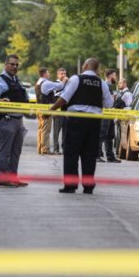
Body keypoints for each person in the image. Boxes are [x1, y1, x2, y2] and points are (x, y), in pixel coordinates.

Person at [50, 58, 114, 194]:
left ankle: (71, 185)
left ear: (85, 66)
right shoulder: (101, 83)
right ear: (97, 69)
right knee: (90, 154)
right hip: (94, 122)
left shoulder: (76, 79)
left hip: (76, 120)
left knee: (71, 152)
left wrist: (51, 110)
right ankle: (88, 186)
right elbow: (109, 103)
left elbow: (64, 98)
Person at [0, 55, 30, 187]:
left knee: (16, 151)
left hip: (18, 119)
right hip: (6, 119)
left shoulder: (16, 80)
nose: (15, 67)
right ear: (6, 64)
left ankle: (13, 177)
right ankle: (3, 178)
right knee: (5, 151)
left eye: (17, 65)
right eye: (12, 64)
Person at [41, 67, 68, 154]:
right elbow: (57, 95)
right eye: (61, 74)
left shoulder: (67, 84)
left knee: (65, 131)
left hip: (66, 111)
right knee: (56, 131)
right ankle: (56, 149)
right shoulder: (55, 84)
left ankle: (64, 148)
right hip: (57, 111)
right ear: (57, 75)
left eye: (64, 74)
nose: (63, 75)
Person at [98, 69, 120, 163]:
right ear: (110, 76)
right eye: (115, 75)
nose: (116, 77)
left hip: (110, 113)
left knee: (110, 135)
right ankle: (96, 155)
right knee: (102, 134)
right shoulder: (104, 85)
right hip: (104, 113)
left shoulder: (110, 86)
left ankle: (110, 156)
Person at [35, 68, 54, 155]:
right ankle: (45, 149)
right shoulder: (46, 83)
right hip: (45, 108)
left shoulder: (38, 82)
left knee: (40, 129)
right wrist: (64, 82)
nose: (49, 74)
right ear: (44, 74)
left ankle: (40, 148)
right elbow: (60, 86)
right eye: (48, 72)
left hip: (38, 107)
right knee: (46, 130)